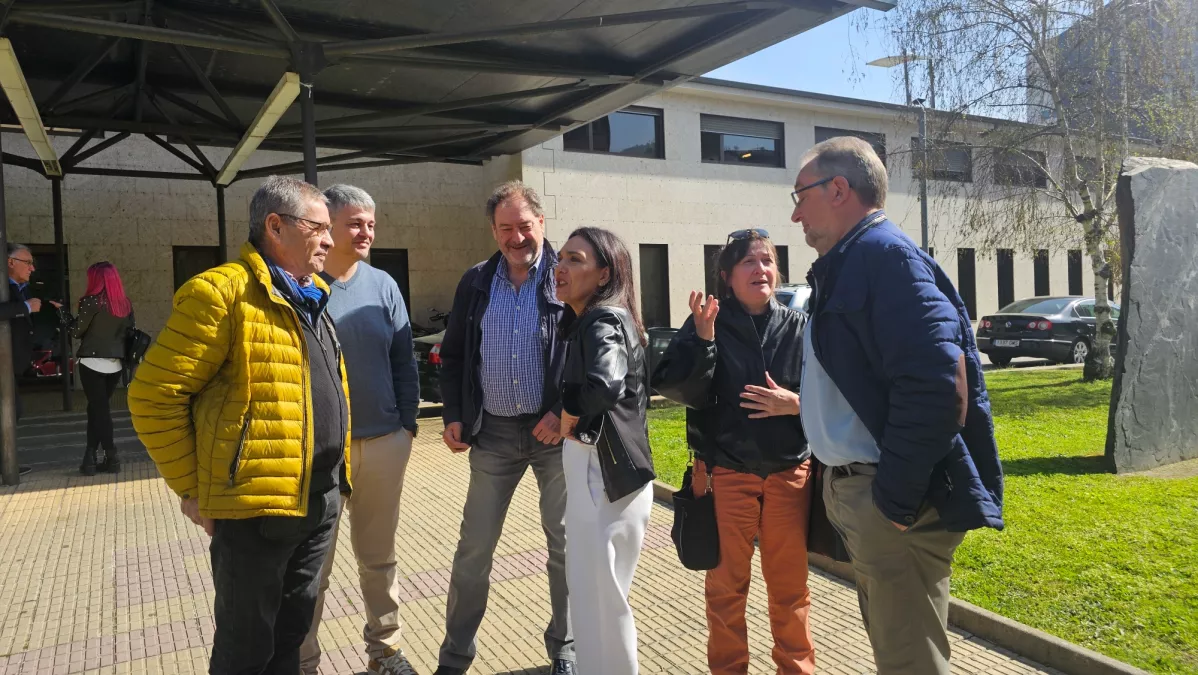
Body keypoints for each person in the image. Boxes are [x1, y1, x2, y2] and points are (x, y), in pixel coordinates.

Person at [790, 136, 1004, 675]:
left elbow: (937, 386)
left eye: (801, 196)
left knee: (910, 661)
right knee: (899, 652)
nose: (795, 214)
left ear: (839, 189)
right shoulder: (853, 260)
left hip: (889, 497)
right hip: (864, 489)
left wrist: (895, 500)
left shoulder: (885, 258)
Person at [128, 175, 351, 675]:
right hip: (253, 511)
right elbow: (152, 396)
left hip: (317, 500)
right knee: (245, 648)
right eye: (319, 228)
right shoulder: (220, 293)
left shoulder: (313, 295)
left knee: (290, 637)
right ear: (276, 226)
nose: (331, 241)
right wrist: (193, 489)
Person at [652, 228, 815, 675]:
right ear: (727, 275)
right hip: (726, 475)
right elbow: (676, 388)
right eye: (748, 261)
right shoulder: (708, 322)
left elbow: (838, 397)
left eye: (766, 260)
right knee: (726, 590)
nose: (760, 269)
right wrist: (703, 339)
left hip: (787, 475)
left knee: (790, 590)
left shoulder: (800, 326)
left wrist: (795, 404)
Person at [435, 180, 574, 675]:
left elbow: (592, 354)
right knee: (474, 549)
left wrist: (566, 413)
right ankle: (455, 657)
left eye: (525, 226)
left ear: (542, 224)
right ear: (494, 231)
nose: (517, 238)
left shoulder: (567, 276)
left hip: (554, 437)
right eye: (506, 229)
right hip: (492, 435)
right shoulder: (475, 281)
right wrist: (454, 414)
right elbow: (452, 357)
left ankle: (565, 648)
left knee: (564, 544)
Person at [300, 185, 420, 675]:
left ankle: (385, 653)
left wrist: (407, 425)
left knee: (379, 560)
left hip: (383, 443)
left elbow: (402, 360)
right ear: (328, 225)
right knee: (312, 568)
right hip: (320, 452)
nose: (366, 231)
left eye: (371, 222)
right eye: (355, 222)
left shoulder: (384, 285)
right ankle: (303, 661)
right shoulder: (300, 283)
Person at [555, 227, 655, 675]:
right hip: (604, 478)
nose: (560, 267)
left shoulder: (601, 320)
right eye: (560, 258)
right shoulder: (597, 319)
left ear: (603, 274)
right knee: (595, 598)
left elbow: (605, 384)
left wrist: (570, 412)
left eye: (574, 259)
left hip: (603, 477)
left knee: (602, 601)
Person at [70, 262, 135, 476]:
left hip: (91, 363)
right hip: (114, 365)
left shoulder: (90, 302)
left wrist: (62, 314)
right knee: (97, 410)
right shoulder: (125, 305)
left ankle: (111, 454)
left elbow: (77, 332)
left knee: (100, 411)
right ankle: (91, 457)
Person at [2, 243, 55, 476]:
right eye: (28, 262)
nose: (32, 268)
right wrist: (24, 306)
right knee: (11, 411)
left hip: (11, 363)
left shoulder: (21, 287)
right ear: (10, 262)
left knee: (12, 411)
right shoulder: (3, 286)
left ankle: (5, 463)